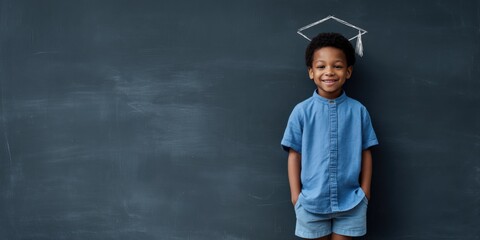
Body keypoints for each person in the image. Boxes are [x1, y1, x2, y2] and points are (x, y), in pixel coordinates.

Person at [281, 32, 379, 240]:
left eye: (337, 66)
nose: (329, 72)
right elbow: (294, 154)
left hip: (351, 202)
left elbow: (366, 152)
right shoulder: (301, 112)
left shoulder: (358, 111)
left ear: (348, 71)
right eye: (321, 66)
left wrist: (365, 193)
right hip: (310, 203)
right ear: (311, 72)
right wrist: (295, 196)